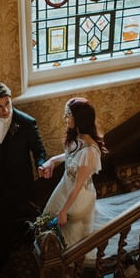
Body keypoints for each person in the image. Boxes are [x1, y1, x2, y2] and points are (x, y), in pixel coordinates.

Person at [0, 82, 47, 272]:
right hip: (0, 180)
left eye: (8, 103)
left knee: (25, 216)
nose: (5, 110)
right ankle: (9, 252)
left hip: (22, 181)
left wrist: (41, 164)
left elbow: (39, 151)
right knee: (5, 216)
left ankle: (30, 256)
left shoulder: (26, 123)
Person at [41, 97, 106, 247]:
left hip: (77, 198)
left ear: (79, 119)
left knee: (70, 238)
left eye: (68, 115)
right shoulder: (77, 135)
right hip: (65, 187)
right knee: (49, 222)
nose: (65, 118)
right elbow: (71, 157)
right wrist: (53, 160)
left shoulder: (89, 151)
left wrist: (64, 210)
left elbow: (78, 186)